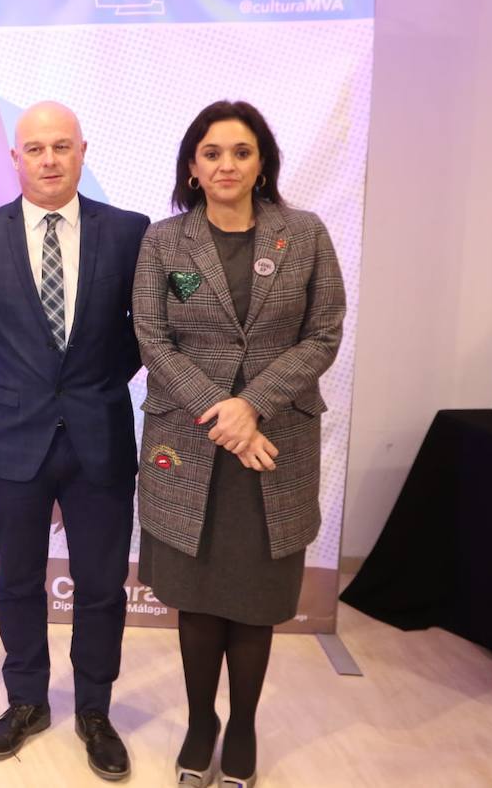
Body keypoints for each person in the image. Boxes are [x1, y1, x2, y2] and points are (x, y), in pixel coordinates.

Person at [133, 100, 345, 788]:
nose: (227, 164)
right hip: (190, 442)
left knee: (255, 598)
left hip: (272, 443)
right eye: (212, 152)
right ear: (192, 168)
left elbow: (324, 332)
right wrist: (217, 410)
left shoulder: (305, 234)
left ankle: (246, 725)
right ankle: (202, 723)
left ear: (263, 164)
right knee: (196, 598)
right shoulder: (166, 241)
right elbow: (151, 335)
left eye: (241, 152)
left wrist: (251, 406)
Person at [0, 101, 148, 780]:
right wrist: (12, 386)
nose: (49, 160)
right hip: (13, 436)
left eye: (61, 146)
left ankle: (94, 709)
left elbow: (139, 337)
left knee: (100, 586)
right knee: (17, 580)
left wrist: (88, 387)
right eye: (35, 148)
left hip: (99, 435)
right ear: (16, 158)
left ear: (82, 151)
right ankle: (26, 701)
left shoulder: (129, 234)